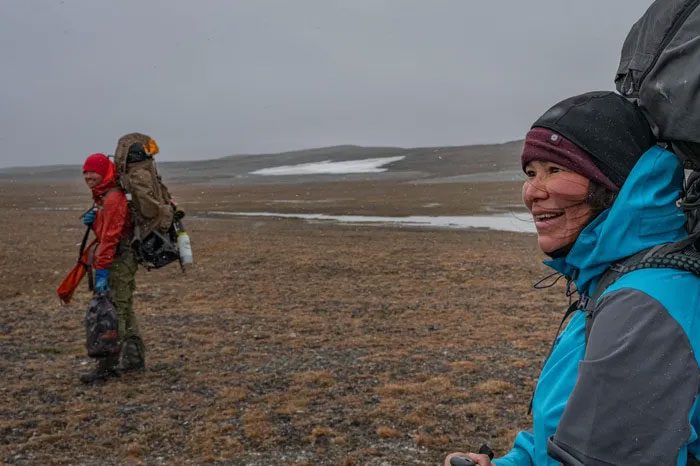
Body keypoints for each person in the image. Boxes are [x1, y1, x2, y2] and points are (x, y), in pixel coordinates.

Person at [445, 91, 700, 465]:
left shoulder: (643, 306)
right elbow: (570, 433)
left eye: (556, 170)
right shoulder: (615, 280)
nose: (533, 192)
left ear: (614, 182)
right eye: (531, 173)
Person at [79, 153, 146, 384]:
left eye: (93, 172)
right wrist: (95, 220)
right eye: (85, 172)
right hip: (118, 258)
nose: (88, 176)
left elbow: (111, 237)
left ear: (104, 171)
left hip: (119, 259)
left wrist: (103, 269)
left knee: (114, 312)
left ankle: (107, 365)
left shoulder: (113, 197)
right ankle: (134, 360)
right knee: (123, 307)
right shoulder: (106, 195)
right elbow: (107, 230)